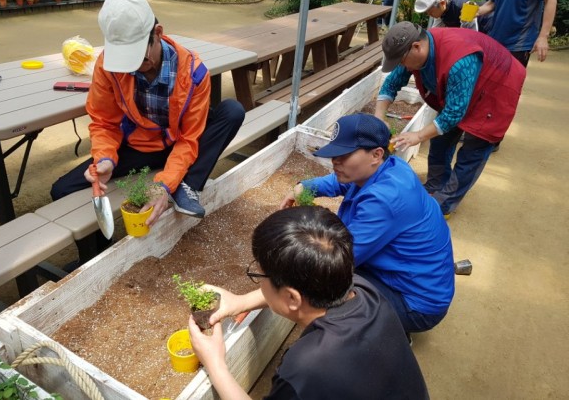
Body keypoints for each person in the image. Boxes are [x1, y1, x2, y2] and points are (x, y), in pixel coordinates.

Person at [188, 206, 430, 399]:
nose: (259, 283)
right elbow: (301, 288)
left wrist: (215, 363)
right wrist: (240, 302)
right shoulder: (364, 290)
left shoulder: (308, 368)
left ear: (292, 298)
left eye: (259, 276)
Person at [51, 0, 244, 225]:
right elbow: (104, 121)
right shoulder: (107, 65)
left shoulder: (193, 72)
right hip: (138, 146)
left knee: (232, 111)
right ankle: (98, 252)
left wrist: (164, 184)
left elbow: (189, 138)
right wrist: (105, 159)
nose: (131, 67)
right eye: (123, 58)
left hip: (179, 144)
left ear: (158, 33)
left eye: (137, 57)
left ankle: (186, 184)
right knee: (60, 190)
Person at [280, 113, 455, 335]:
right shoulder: (389, 167)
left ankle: (384, 336)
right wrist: (304, 187)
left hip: (415, 304)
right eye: (334, 154)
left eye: (344, 155)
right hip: (416, 281)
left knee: (322, 289)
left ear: (376, 154)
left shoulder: (386, 200)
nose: (335, 161)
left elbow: (338, 261)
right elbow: (337, 180)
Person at [377, 21, 526, 217]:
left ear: (416, 47)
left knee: (473, 150)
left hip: (496, 86)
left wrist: (418, 135)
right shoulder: (413, 51)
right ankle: (435, 183)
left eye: (402, 61)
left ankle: (444, 204)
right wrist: (379, 118)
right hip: (468, 82)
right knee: (440, 139)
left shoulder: (459, 60)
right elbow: (391, 84)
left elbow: (454, 114)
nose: (402, 66)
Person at [414, 0, 493, 34]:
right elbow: (435, 32)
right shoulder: (443, 8)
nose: (429, 15)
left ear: (442, 3)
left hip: (490, 28)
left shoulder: (467, 6)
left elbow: (469, 35)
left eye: (430, 12)